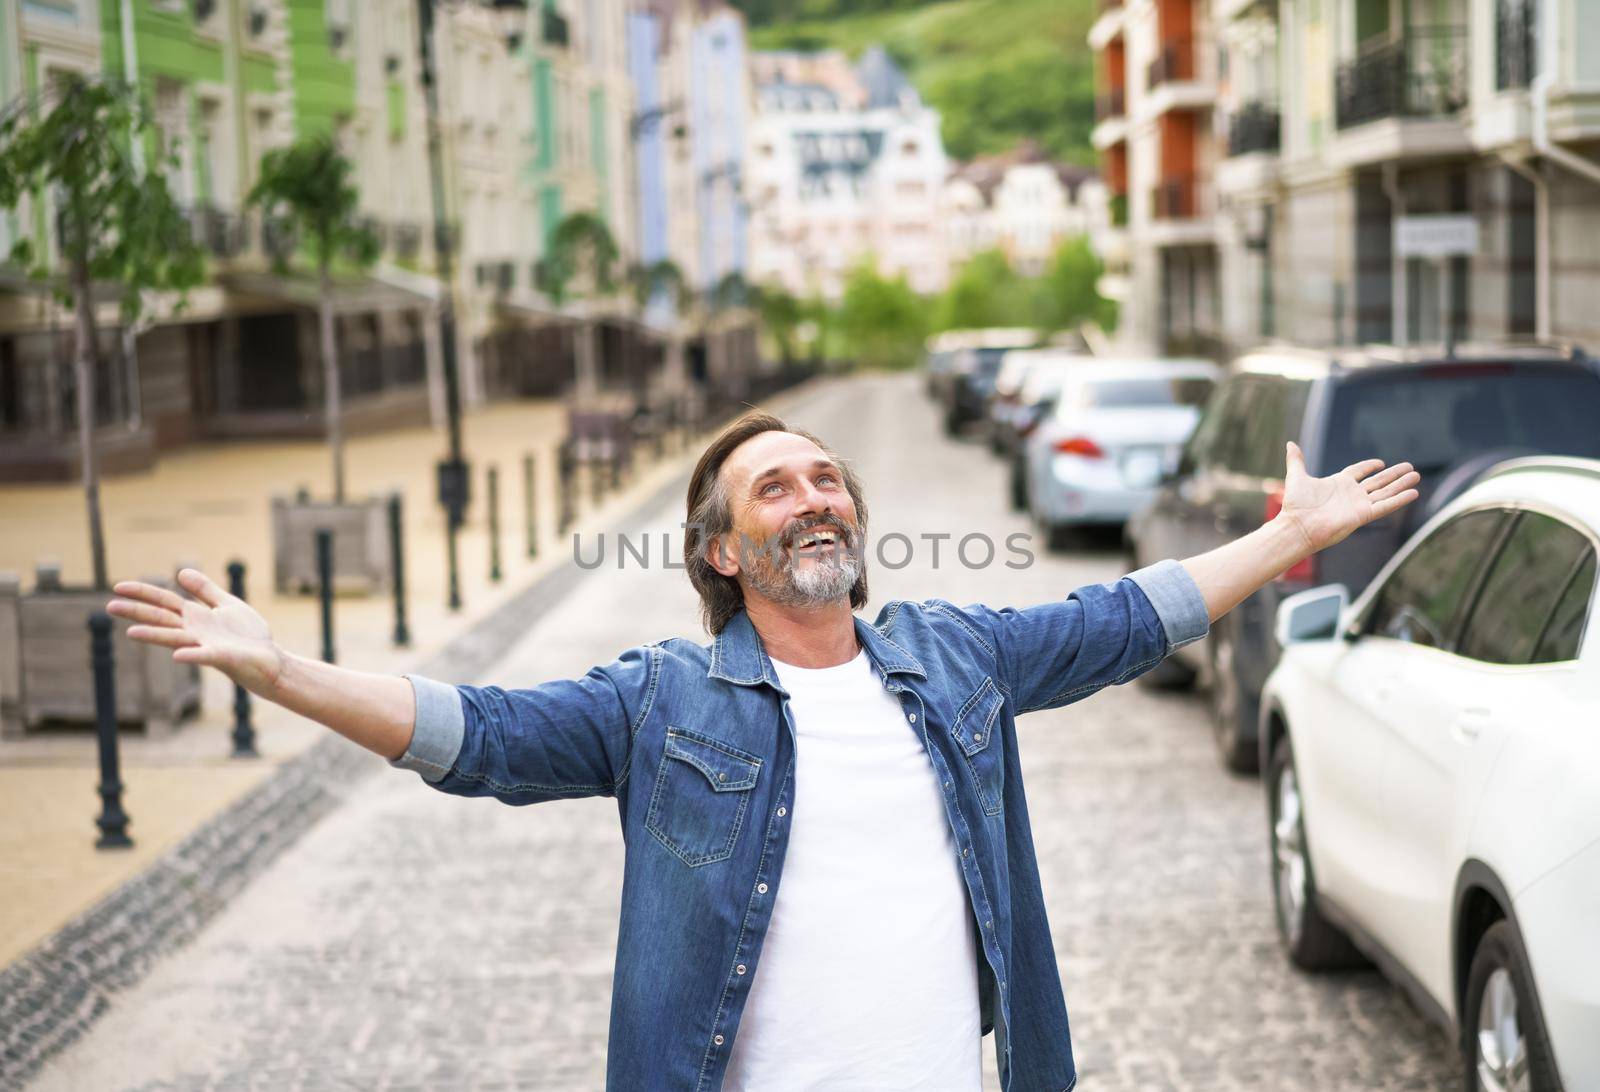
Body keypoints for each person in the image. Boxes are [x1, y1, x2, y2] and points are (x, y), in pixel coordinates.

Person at [107, 410, 1419, 1092]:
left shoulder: (955, 656)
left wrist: (1291, 536)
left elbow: (1127, 617)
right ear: (725, 554)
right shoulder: (665, 700)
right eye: (776, 488)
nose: (816, 497)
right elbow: (477, 737)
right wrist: (281, 671)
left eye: (828, 477)